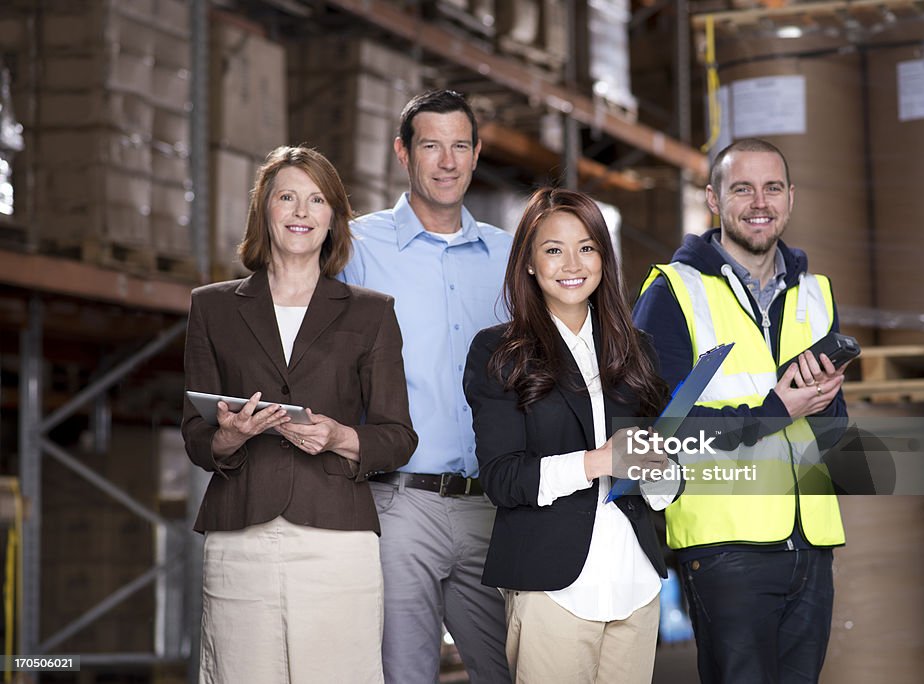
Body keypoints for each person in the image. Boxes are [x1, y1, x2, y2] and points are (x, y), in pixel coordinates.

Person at [182, 146, 418, 683]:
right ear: (264, 209)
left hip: (337, 537)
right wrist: (228, 436)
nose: (300, 211)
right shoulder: (212, 307)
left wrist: (338, 436)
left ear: (334, 217)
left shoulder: (371, 312)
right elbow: (195, 434)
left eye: (316, 200)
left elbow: (398, 436)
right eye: (287, 196)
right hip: (240, 533)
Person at [632, 138, 849, 683]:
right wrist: (777, 409)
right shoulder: (674, 292)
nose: (760, 201)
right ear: (712, 198)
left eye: (772, 188)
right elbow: (658, 432)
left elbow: (832, 427)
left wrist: (822, 407)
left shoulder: (815, 292)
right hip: (725, 547)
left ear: (790, 198)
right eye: (742, 188)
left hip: (811, 544)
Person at [463, 187, 675, 684]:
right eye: (553, 249)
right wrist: (597, 462)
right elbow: (502, 479)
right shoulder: (499, 352)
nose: (572, 263)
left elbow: (666, 471)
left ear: (604, 256)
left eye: (587, 247)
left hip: (635, 583)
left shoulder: (636, 348)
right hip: (552, 588)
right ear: (530, 263)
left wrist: (661, 469)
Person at [338, 89, 513, 684]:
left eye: (459, 146)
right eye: (431, 146)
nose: (446, 161)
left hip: (493, 504)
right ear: (402, 154)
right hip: (400, 503)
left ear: (476, 153)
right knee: (403, 673)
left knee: (509, 669)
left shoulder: (510, 256)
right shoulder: (357, 250)